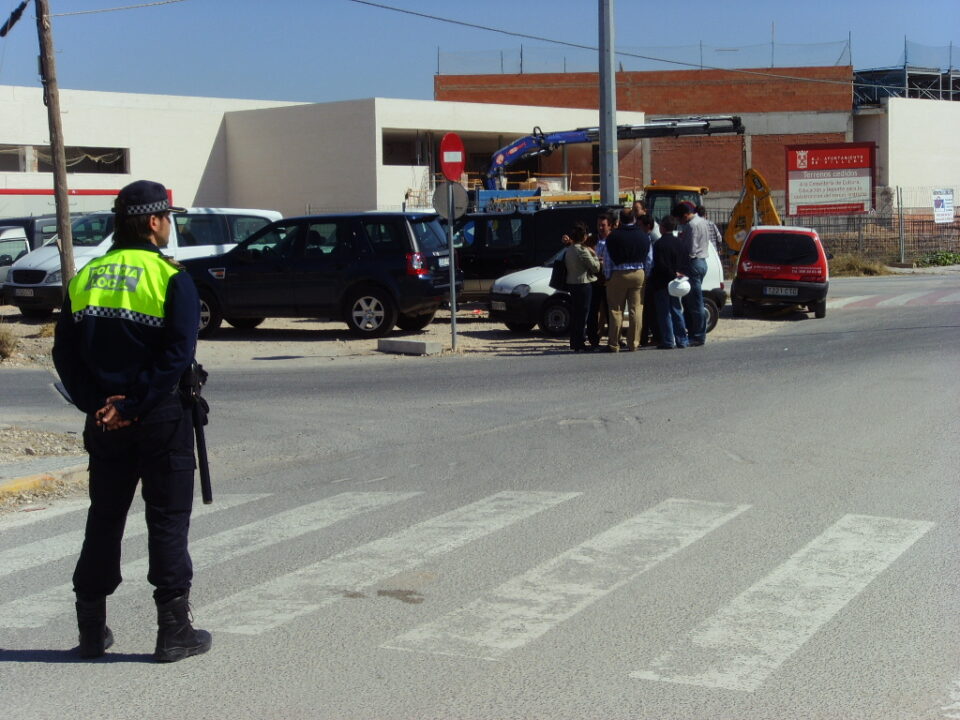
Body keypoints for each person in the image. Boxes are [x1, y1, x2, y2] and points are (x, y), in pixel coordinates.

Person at [52, 180, 212, 663]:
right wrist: (134, 404)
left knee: (104, 518)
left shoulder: (87, 277)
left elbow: (64, 353)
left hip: (105, 420)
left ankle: (90, 629)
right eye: (168, 217)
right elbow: (177, 354)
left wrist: (99, 405)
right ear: (151, 222)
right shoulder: (170, 277)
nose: (170, 225)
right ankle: (173, 632)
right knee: (166, 519)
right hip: (159, 416)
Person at [601, 207, 650, 352]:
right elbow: (649, 258)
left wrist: (608, 276)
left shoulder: (613, 236)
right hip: (638, 273)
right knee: (636, 309)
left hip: (618, 274)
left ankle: (614, 343)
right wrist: (645, 273)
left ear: (619, 220)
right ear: (634, 219)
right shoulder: (643, 236)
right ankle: (633, 343)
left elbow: (608, 260)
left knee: (616, 310)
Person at [673, 200, 711, 346]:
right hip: (702, 261)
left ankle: (699, 336)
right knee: (692, 301)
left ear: (684, 215)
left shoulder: (691, 225)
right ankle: (695, 332)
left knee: (695, 303)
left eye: (679, 219)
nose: (679, 222)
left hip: (693, 263)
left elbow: (690, 248)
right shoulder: (703, 221)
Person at [648, 218, 690, 349]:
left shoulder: (659, 244)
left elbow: (660, 265)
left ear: (663, 228)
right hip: (677, 283)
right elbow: (685, 261)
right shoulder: (680, 243)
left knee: (664, 312)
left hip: (662, 282)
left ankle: (668, 340)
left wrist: (671, 273)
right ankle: (682, 339)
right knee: (677, 310)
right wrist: (679, 273)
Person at [563, 221, 600, 352]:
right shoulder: (582, 250)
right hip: (583, 284)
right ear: (583, 236)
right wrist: (594, 255)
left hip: (572, 283)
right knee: (583, 314)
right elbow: (595, 268)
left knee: (576, 314)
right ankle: (580, 342)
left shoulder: (570, 249)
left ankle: (575, 341)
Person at [586, 211, 614, 348]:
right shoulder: (592, 240)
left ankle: (613, 338)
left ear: (610, 226)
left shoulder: (614, 240)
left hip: (610, 280)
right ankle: (593, 339)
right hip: (595, 280)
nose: (600, 228)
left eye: (603, 225)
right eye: (599, 225)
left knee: (611, 311)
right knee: (593, 311)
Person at [636, 213, 660, 347]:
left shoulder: (652, 239)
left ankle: (654, 336)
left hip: (650, 277)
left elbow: (651, 260)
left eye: (640, 225)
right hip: (646, 276)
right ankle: (644, 337)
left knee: (650, 309)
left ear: (648, 226)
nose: (638, 228)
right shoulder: (646, 238)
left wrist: (646, 275)